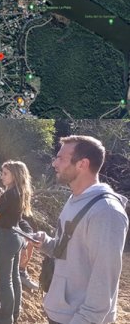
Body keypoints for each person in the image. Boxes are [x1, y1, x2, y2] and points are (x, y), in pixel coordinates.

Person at [34, 135, 128, 324]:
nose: (54, 163)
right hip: (61, 312)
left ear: (82, 164)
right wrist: (46, 244)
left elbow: (104, 277)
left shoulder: (106, 212)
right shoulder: (75, 199)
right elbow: (69, 251)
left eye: (61, 158)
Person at [0, 161, 33, 324]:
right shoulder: (20, 192)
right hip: (17, 236)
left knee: (5, 281)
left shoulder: (8, 194)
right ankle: (14, 311)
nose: (2, 176)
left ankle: (5, 319)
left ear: (15, 175)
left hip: (6, 238)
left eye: (5, 173)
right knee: (14, 278)